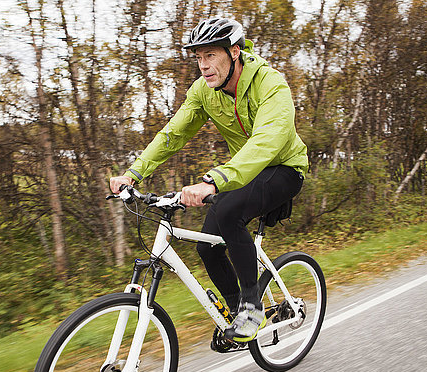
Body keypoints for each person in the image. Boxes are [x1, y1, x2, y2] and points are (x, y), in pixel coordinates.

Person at [109, 17, 308, 343]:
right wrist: (134, 173)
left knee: (230, 215)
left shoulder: (271, 84)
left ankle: (251, 308)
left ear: (234, 52)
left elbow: (267, 141)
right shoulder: (204, 91)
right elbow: (173, 134)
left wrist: (213, 181)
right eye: (198, 58)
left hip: (284, 168)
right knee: (207, 247)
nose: (203, 65)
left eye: (211, 56)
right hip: (242, 172)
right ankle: (235, 316)